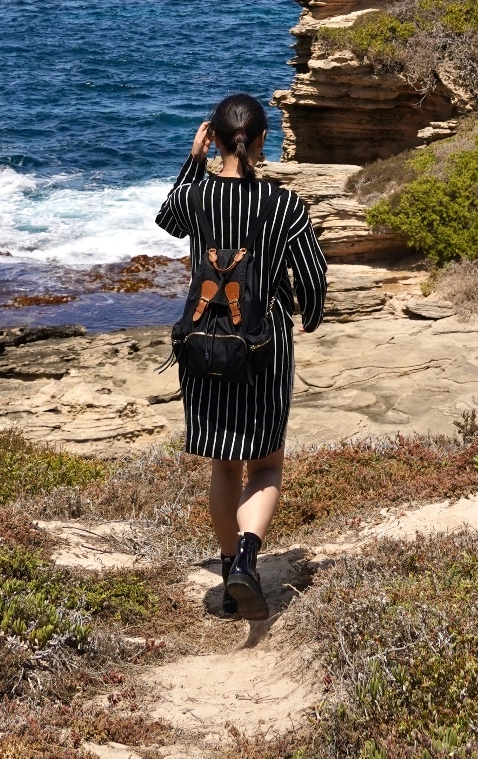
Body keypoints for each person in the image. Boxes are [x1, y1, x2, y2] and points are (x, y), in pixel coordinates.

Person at [155, 92, 328, 621]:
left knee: (225, 463)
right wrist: (312, 315)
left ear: (214, 138)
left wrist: (192, 161)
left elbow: (167, 217)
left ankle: (231, 576)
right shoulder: (284, 205)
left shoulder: (198, 197)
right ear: (261, 141)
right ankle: (248, 559)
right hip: (263, 342)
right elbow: (313, 274)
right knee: (267, 462)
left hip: (203, 341)